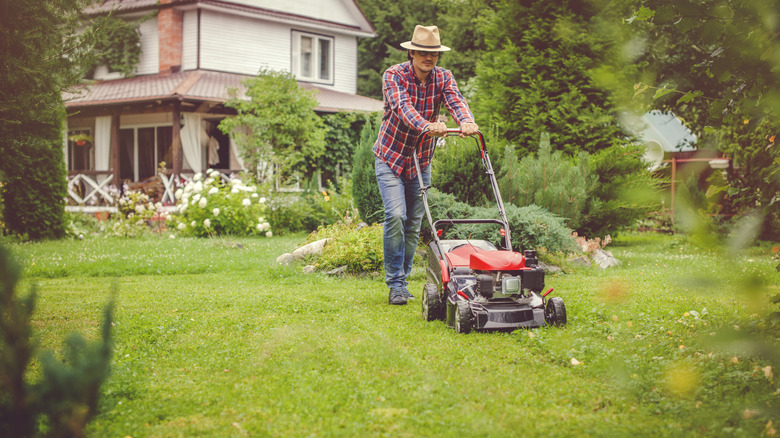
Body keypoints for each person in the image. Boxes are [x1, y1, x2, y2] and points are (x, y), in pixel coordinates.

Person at [373, 24, 479, 305]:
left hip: (420, 160)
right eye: (422, 52)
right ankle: (395, 283)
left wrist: (465, 121)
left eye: (433, 54)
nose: (428, 58)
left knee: (413, 224)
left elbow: (456, 100)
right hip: (391, 157)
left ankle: (402, 282)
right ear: (412, 53)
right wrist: (427, 125)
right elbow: (402, 107)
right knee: (396, 216)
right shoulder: (394, 75)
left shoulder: (444, 78)